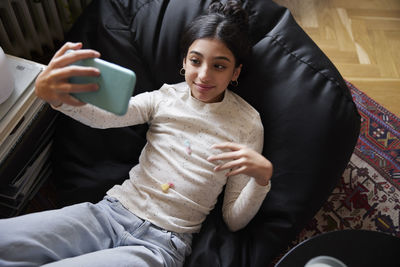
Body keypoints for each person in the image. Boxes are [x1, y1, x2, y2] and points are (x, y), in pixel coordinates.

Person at [0, 1, 273, 266]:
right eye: (196, 61)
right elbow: (105, 118)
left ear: (235, 72)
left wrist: (261, 179)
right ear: (185, 61)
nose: (203, 75)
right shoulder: (165, 97)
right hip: (108, 215)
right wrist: (55, 98)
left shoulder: (247, 124)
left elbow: (233, 219)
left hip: (161, 244)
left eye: (219, 66)